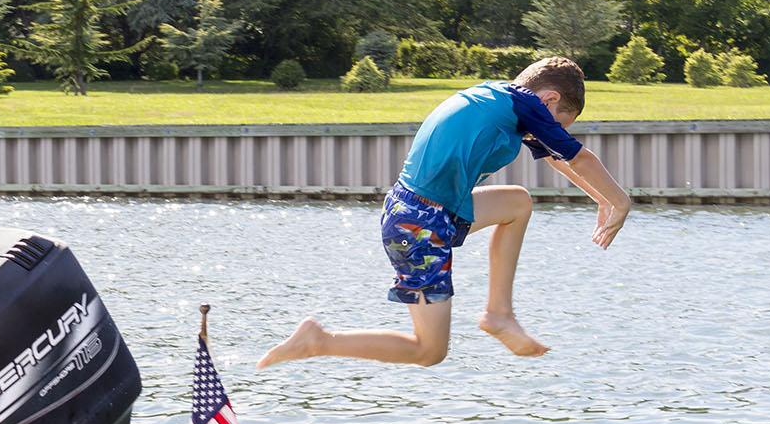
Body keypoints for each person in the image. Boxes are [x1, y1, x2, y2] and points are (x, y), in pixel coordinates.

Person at [258, 56, 630, 369]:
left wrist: (600, 198)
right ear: (549, 100)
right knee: (429, 351)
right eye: (558, 125)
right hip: (420, 223)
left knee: (517, 203)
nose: (549, 133)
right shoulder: (526, 105)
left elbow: (556, 157)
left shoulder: (498, 98)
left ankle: (499, 314)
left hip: (420, 210)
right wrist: (621, 201)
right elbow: (578, 158)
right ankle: (319, 341)